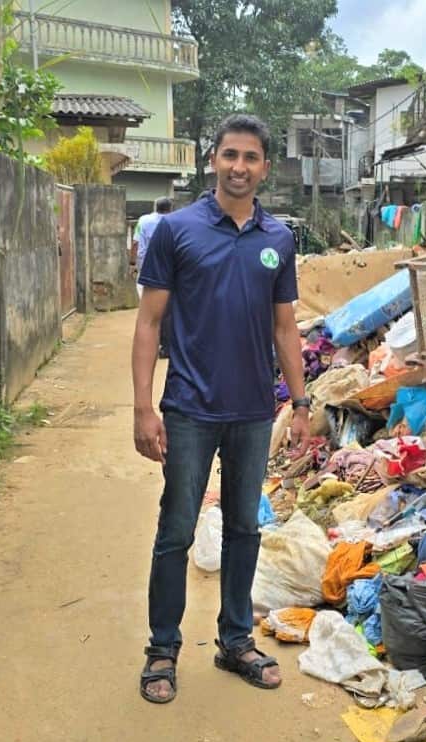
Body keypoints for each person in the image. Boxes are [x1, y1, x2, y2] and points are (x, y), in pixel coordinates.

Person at [132, 114, 310, 704]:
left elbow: (285, 327)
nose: (239, 166)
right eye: (230, 154)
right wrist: (142, 408)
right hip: (187, 409)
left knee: (243, 529)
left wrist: (302, 401)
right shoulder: (176, 231)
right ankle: (163, 648)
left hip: (254, 411)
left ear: (265, 167)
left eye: (251, 157)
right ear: (213, 159)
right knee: (175, 531)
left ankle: (235, 641)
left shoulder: (278, 239)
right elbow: (149, 322)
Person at [132, 197, 173, 358]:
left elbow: (136, 243)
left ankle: (151, 344)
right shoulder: (175, 221)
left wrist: (131, 263)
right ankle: (166, 344)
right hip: (169, 270)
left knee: (148, 312)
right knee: (167, 310)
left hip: (146, 269)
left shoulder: (144, 220)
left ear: (155, 207)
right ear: (170, 208)